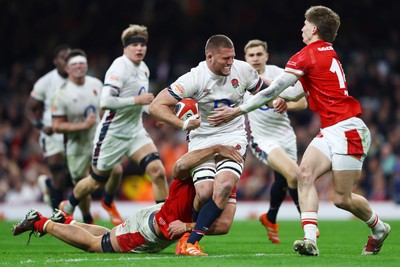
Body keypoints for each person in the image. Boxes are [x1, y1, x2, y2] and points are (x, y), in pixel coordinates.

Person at [208, 6, 391, 256]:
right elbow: (294, 92)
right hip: (330, 129)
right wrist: (272, 94)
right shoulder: (327, 52)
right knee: (304, 173)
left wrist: (238, 110)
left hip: (348, 129)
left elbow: (274, 90)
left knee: (341, 198)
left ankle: (379, 228)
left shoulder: (307, 55)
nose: (301, 28)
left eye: (305, 24)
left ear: (314, 29)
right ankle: (310, 241)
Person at [149, 34, 269, 255]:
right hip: (202, 139)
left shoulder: (242, 70)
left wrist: (278, 98)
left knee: (223, 186)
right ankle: (189, 237)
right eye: (225, 58)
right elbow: (156, 106)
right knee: (204, 193)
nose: (230, 62)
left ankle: (190, 241)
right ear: (209, 56)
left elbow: (264, 91)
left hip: (233, 136)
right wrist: (183, 123)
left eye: (232, 57)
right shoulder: (195, 78)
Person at [13, 144, 242, 255]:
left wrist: (188, 226)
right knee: (97, 246)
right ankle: (41, 222)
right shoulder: (192, 172)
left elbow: (224, 226)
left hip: (156, 219)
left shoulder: (224, 184)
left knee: (107, 235)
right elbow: (180, 165)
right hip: (150, 230)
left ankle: (67, 220)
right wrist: (215, 148)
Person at [59, 25, 169, 221]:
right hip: (112, 134)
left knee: (158, 172)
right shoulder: (119, 67)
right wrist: (137, 101)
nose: (139, 49)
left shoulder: (143, 68)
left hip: (135, 131)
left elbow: (140, 104)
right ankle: (66, 207)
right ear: (125, 48)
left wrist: (154, 114)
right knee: (95, 182)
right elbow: (106, 101)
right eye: (134, 45)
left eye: (142, 45)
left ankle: (165, 220)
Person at [243, 39, 309, 244]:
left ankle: (270, 219)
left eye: (258, 54)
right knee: (294, 174)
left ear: (266, 56)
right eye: (251, 55)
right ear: (245, 58)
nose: (255, 58)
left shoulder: (280, 75)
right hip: (262, 138)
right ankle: (308, 224)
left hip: (286, 136)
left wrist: (286, 105)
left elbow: (303, 102)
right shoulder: (240, 77)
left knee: (283, 180)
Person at [51, 49, 122, 224]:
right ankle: (88, 218)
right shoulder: (61, 94)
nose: (79, 67)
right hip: (76, 144)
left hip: (98, 138)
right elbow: (57, 126)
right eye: (74, 64)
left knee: (117, 170)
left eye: (82, 63)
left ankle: (108, 201)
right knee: (82, 185)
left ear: (87, 65)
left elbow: (105, 106)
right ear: (67, 69)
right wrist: (82, 125)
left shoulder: (96, 84)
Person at [25, 44, 71, 210]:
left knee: (74, 175)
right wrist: (38, 125)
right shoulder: (45, 82)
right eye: (63, 58)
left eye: (69, 57)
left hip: (75, 133)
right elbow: (30, 108)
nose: (67, 61)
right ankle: (57, 214)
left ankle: (48, 184)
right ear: (55, 61)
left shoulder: (80, 79)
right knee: (59, 171)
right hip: (52, 134)